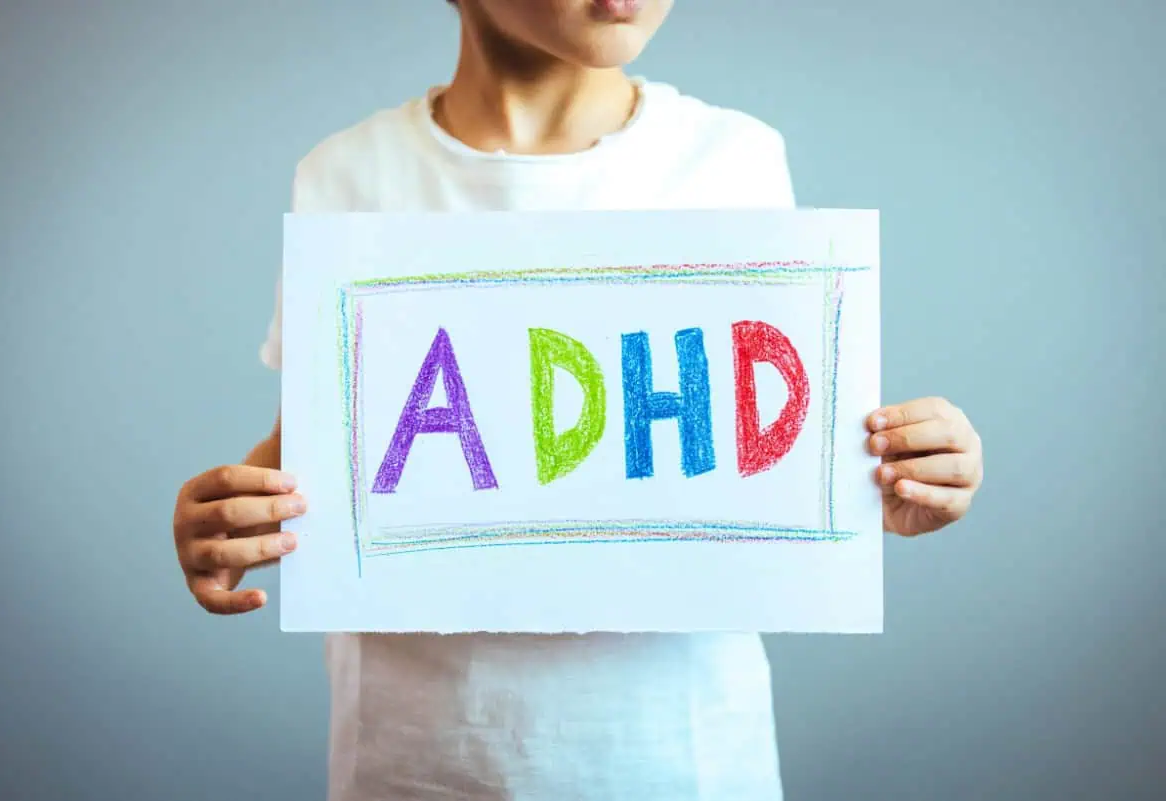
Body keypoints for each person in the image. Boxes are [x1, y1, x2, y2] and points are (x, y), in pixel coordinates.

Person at [172, 1, 986, 798]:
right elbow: (322, 441)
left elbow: (771, 438)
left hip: (681, 753)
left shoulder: (732, 158)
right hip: (413, 756)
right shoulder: (346, 174)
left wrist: (906, 468)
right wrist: (227, 518)